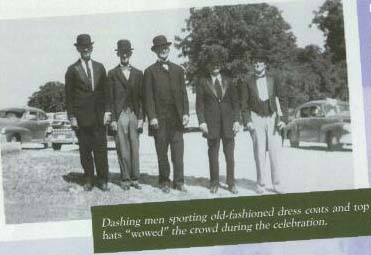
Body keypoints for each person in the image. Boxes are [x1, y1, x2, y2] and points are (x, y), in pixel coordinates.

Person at [65, 34, 111, 191]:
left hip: (99, 117)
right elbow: (69, 96)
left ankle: (103, 179)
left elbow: (106, 92)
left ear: (92, 48)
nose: (86, 50)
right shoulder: (72, 70)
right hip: (82, 118)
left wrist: (107, 112)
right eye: (83, 47)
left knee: (101, 150)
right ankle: (89, 179)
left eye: (88, 47)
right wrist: (72, 117)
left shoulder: (100, 67)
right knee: (85, 151)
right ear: (78, 49)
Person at [144, 35, 189, 193]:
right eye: (160, 48)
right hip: (160, 120)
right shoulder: (150, 71)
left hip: (176, 119)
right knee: (162, 152)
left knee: (178, 152)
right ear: (155, 51)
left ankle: (179, 181)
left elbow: (184, 94)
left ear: (168, 49)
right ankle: (164, 181)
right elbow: (148, 97)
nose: (163, 50)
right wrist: (152, 117)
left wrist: (186, 113)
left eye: (165, 47)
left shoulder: (178, 70)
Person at [241, 53, 288, 194]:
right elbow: (244, 104)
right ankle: (260, 184)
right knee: (259, 153)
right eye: (255, 63)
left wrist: (284, 119)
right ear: (252, 65)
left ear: (265, 65)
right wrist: (247, 121)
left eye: (260, 63)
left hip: (272, 118)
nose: (257, 65)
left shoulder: (274, 79)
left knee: (275, 153)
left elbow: (283, 99)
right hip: (256, 118)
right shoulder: (247, 82)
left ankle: (277, 184)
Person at [195, 56, 240, 194]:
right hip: (211, 125)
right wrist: (202, 122)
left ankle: (231, 183)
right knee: (213, 155)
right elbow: (199, 105)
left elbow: (235, 103)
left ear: (220, 65)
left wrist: (237, 120)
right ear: (208, 66)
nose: (215, 66)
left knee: (230, 156)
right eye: (212, 64)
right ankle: (214, 182)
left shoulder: (229, 81)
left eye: (217, 64)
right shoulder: (203, 82)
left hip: (228, 125)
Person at [107, 39, 144, 191]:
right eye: (122, 53)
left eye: (127, 52)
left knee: (135, 146)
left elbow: (142, 97)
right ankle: (125, 179)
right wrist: (113, 119)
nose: (124, 55)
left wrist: (142, 117)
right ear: (118, 54)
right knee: (122, 147)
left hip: (134, 113)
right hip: (120, 114)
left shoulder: (138, 73)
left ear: (130, 54)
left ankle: (135, 178)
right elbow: (109, 98)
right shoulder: (112, 74)